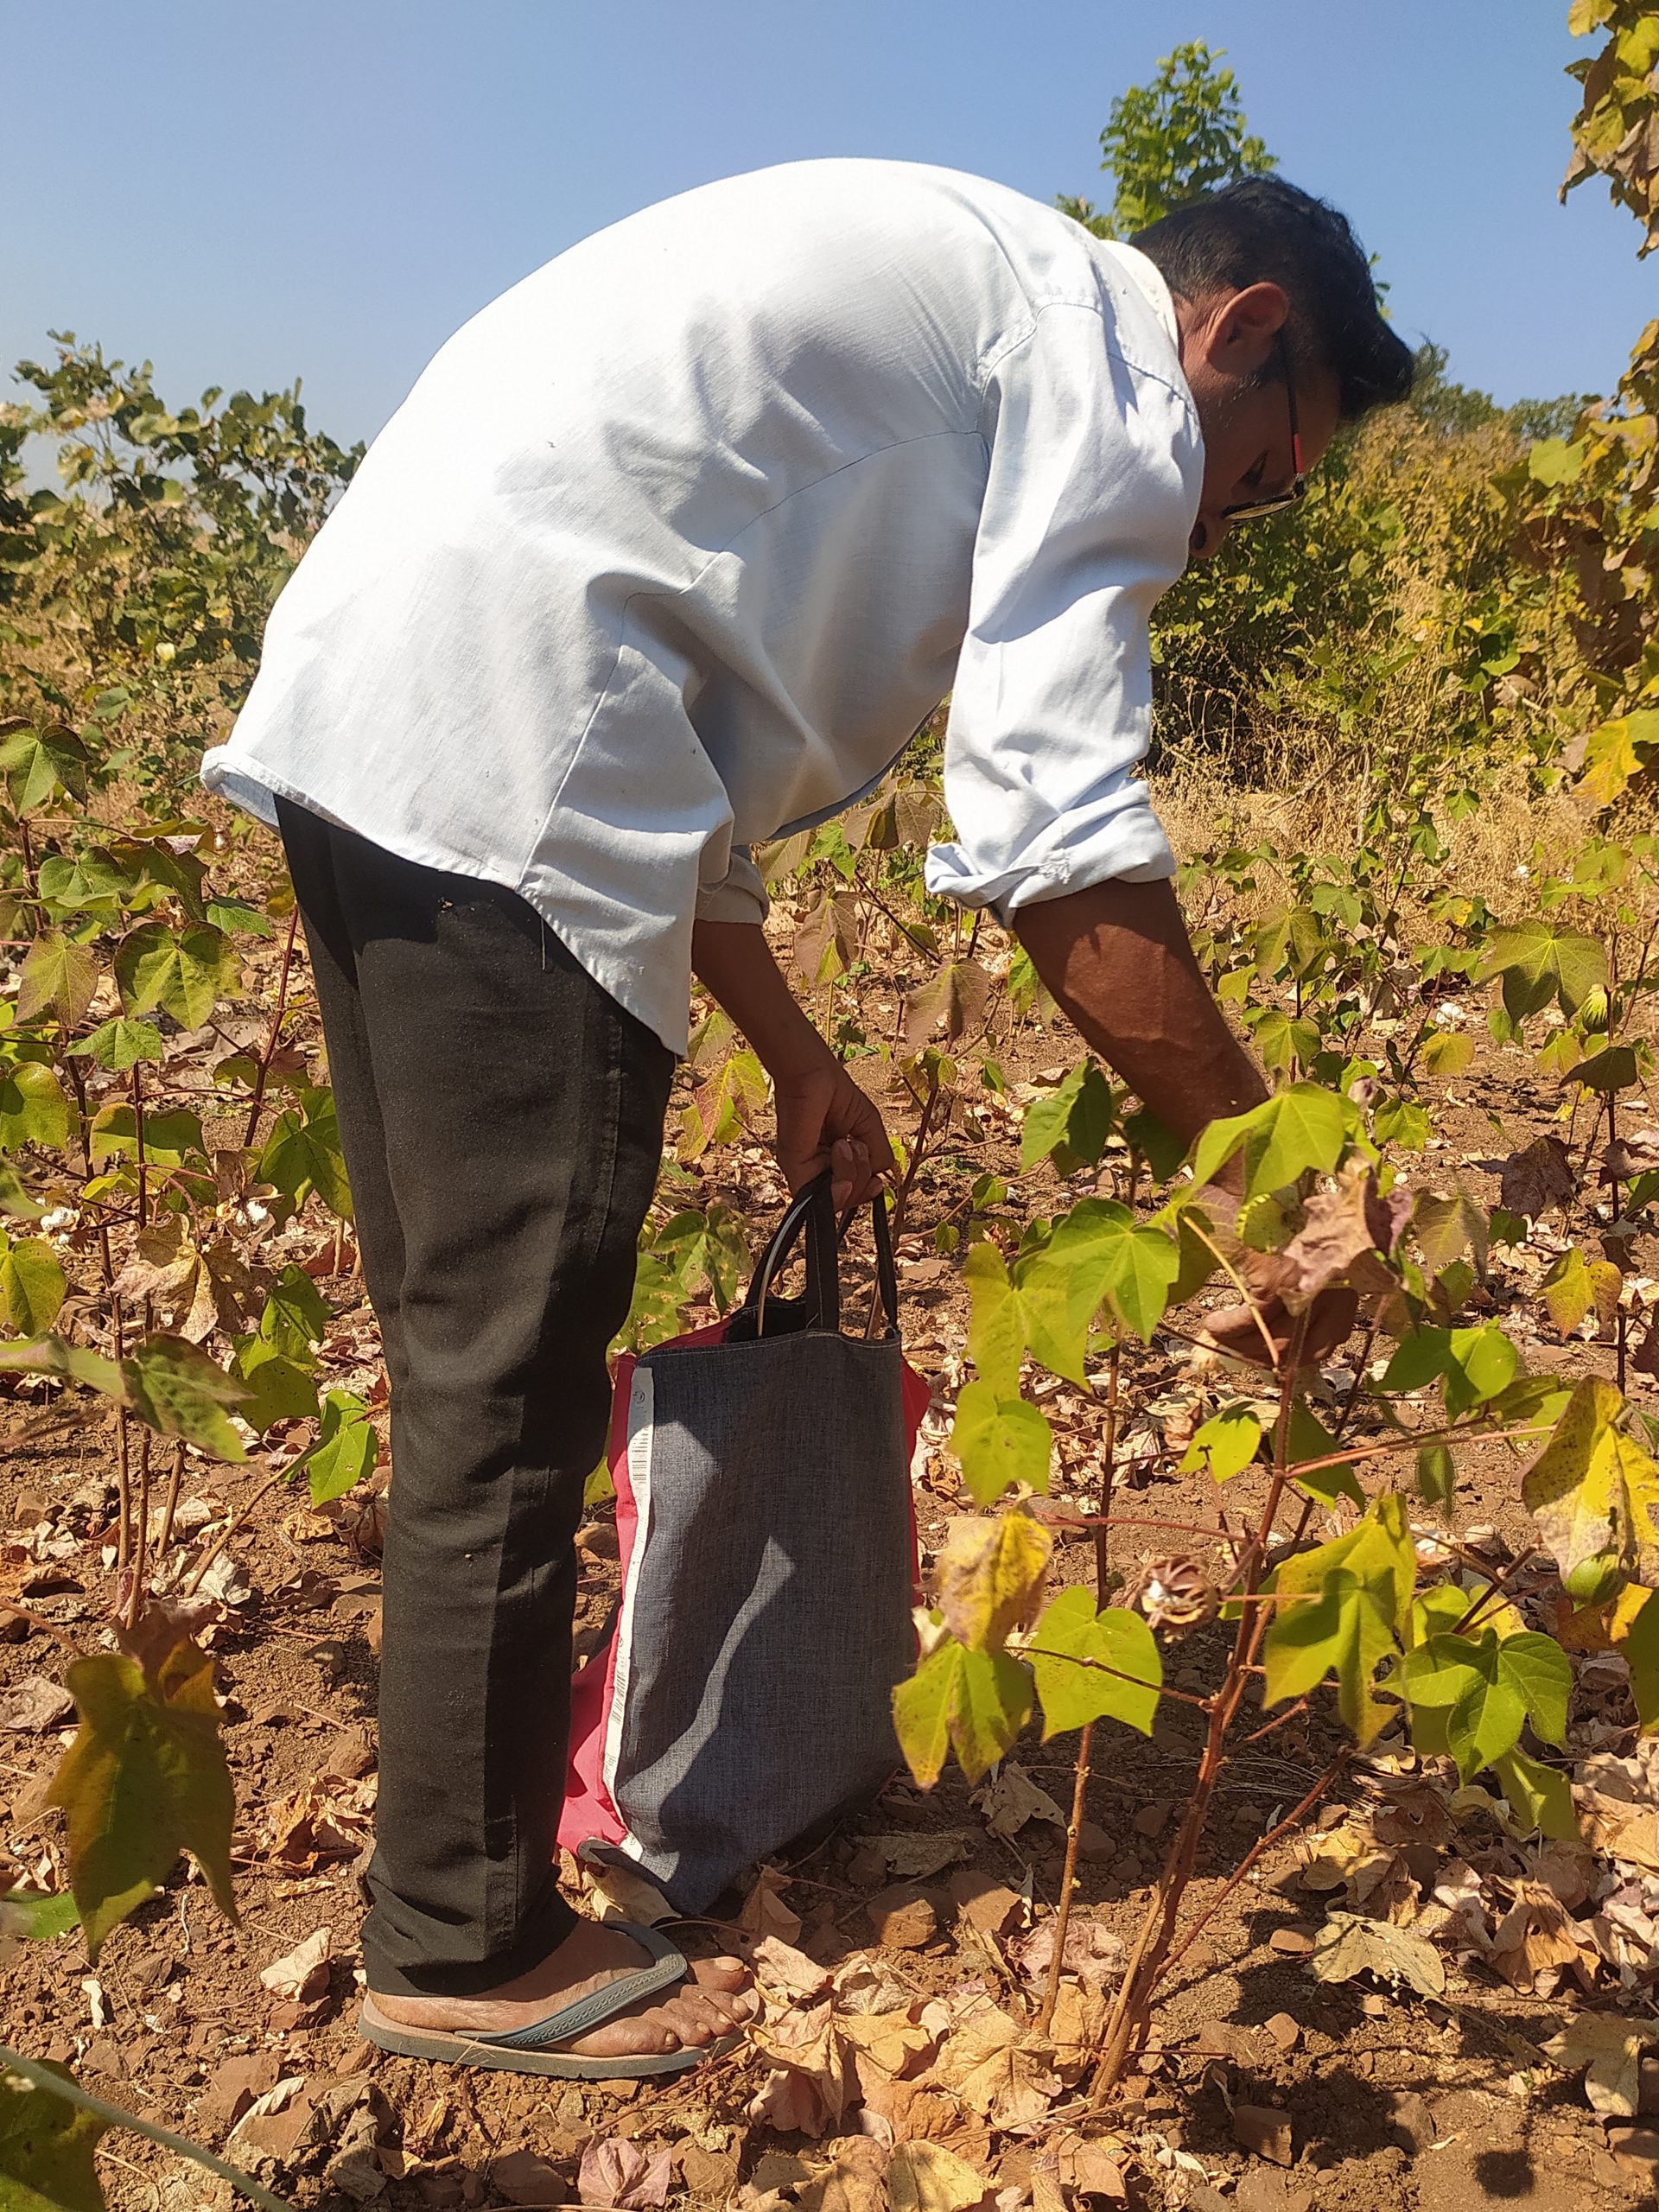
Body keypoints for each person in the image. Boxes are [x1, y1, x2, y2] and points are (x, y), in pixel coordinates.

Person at [201, 159, 1414, 2075]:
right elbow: (1063, 849)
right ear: (1241, 331)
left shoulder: (983, 295)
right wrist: (1284, 1181)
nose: (1227, 522)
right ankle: (459, 1934)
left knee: (466, 1354)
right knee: (505, 1375)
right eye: (1258, 474)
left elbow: (681, 672)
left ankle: (455, 1884)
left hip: (397, 698)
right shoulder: (1105, 379)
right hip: (521, 727)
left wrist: (793, 1050)